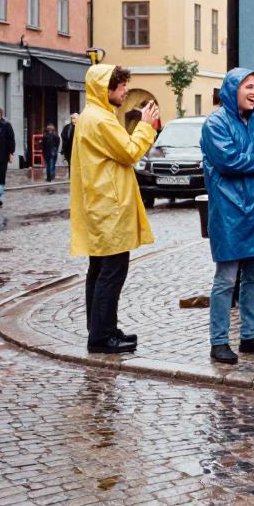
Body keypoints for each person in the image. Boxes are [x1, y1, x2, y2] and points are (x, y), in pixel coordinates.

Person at [69, 65, 159, 354]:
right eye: (121, 87)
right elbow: (130, 152)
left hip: (100, 205)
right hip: (109, 207)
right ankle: (101, 336)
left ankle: (101, 328)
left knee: (98, 270)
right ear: (105, 89)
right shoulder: (101, 120)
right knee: (112, 271)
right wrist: (146, 125)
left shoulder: (91, 117)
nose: (125, 91)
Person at [201, 68, 254, 365]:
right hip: (230, 213)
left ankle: (249, 335)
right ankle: (218, 341)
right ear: (233, 89)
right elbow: (227, 161)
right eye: (248, 86)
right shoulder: (215, 124)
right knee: (225, 279)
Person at [60, 113, 78, 177]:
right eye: (72, 118)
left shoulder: (80, 126)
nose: (73, 119)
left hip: (77, 148)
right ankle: (71, 175)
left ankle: (75, 175)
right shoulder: (68, 127)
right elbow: (63, 135)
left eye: (75, 118)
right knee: (70, 162)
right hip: (68, 148)